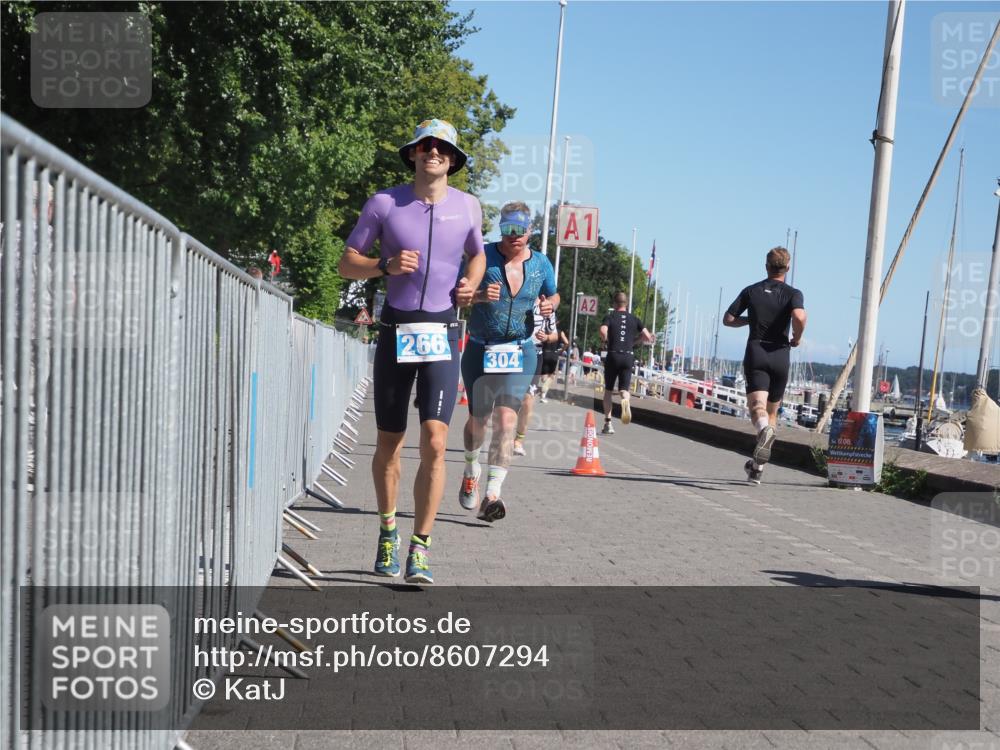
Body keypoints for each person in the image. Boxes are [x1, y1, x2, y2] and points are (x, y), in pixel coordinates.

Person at [339, 118, 486, 583]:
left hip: (442, 333)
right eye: (425, 146)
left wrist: (471, 284)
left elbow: (478, 254)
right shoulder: (385, 203)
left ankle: (420, 546)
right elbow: (347, 264)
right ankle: (387, 531)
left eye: (442, 147)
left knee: (437, 443)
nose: (433, 152)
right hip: (396, 331)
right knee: (389, 442)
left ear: (454, 159)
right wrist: (383, 265)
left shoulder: (469, 207)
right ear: (413, 155)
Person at [458, 202, 559, 522]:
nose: (514, 237)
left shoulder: (542, 263)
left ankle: (492, 495)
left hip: (520, 351)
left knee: (506, 421)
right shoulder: (482, 256)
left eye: (520, 230)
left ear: (531, 231)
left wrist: (549, 305)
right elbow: (456, 296)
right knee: (478, 421)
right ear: (501, 229)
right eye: (508, 230)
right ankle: (471, 467)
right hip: (480, 349)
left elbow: (554, 295)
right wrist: (477, 296)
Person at [723, 246, 806, 484]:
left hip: (757, 351)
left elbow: (728, 319)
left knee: (757, 408)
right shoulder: (793, 293)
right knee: (772, 412)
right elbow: (799, 317)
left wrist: (750, 320)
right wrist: (797, 338)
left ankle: (762, 432)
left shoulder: (752, 290)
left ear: (766, 266)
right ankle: (757, 468)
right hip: (780, 353)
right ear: (787, 268)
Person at [599, 292, 654, 434]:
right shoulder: (635, 319)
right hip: (628, 357)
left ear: (614, 304)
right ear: (627, 304)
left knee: (608, 391)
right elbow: (647, 336)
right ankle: (625, 401)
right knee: (624, 390)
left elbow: (603, 330)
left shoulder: (610, 317)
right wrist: (638, 340)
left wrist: (605, 339)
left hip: (613, 355)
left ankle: (608, 424)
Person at [513, 298, 558, 457]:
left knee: (527, 399)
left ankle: (518, 441)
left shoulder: (546, 307)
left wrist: (546, 337)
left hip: (534, 353)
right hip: (513, 351)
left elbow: (554, 335)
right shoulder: (518, 297)